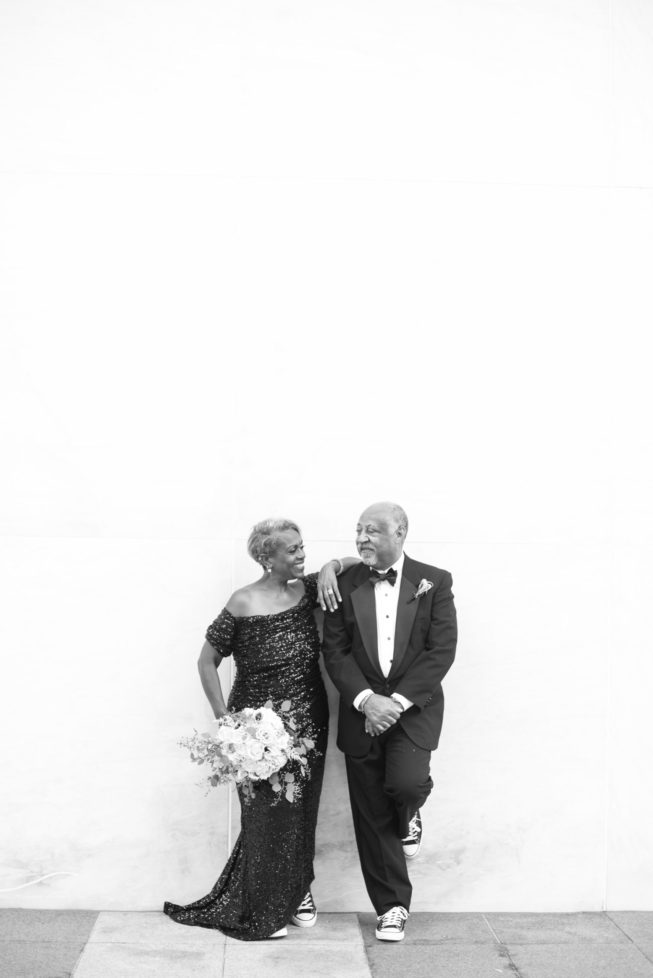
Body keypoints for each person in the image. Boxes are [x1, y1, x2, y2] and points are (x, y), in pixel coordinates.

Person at [164, 519, 354, 941]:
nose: (302, 554)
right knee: (265, 812)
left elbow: (356, 564)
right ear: (267, 559)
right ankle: (268, 902)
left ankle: (299, 892)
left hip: (308, 720)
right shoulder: (242, 601)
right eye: (292, 550)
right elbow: (205, 662)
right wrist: (226, 722)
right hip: (254, 729)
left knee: (303, 808)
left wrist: (331, 566)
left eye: (303, 547)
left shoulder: (309, 591)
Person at [321, 502, 457, 943]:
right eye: (358, 530)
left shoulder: (434, 581)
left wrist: (394, 703)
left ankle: (411, 813)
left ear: (400, 532)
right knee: (371, 815)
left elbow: (441, 650)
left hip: (412, 711)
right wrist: (365, 700)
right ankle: (392, 907)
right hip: (361, 714)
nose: (362, 538)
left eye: (373, 531)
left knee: (406, 786)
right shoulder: (344, 582)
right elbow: (335, 651)